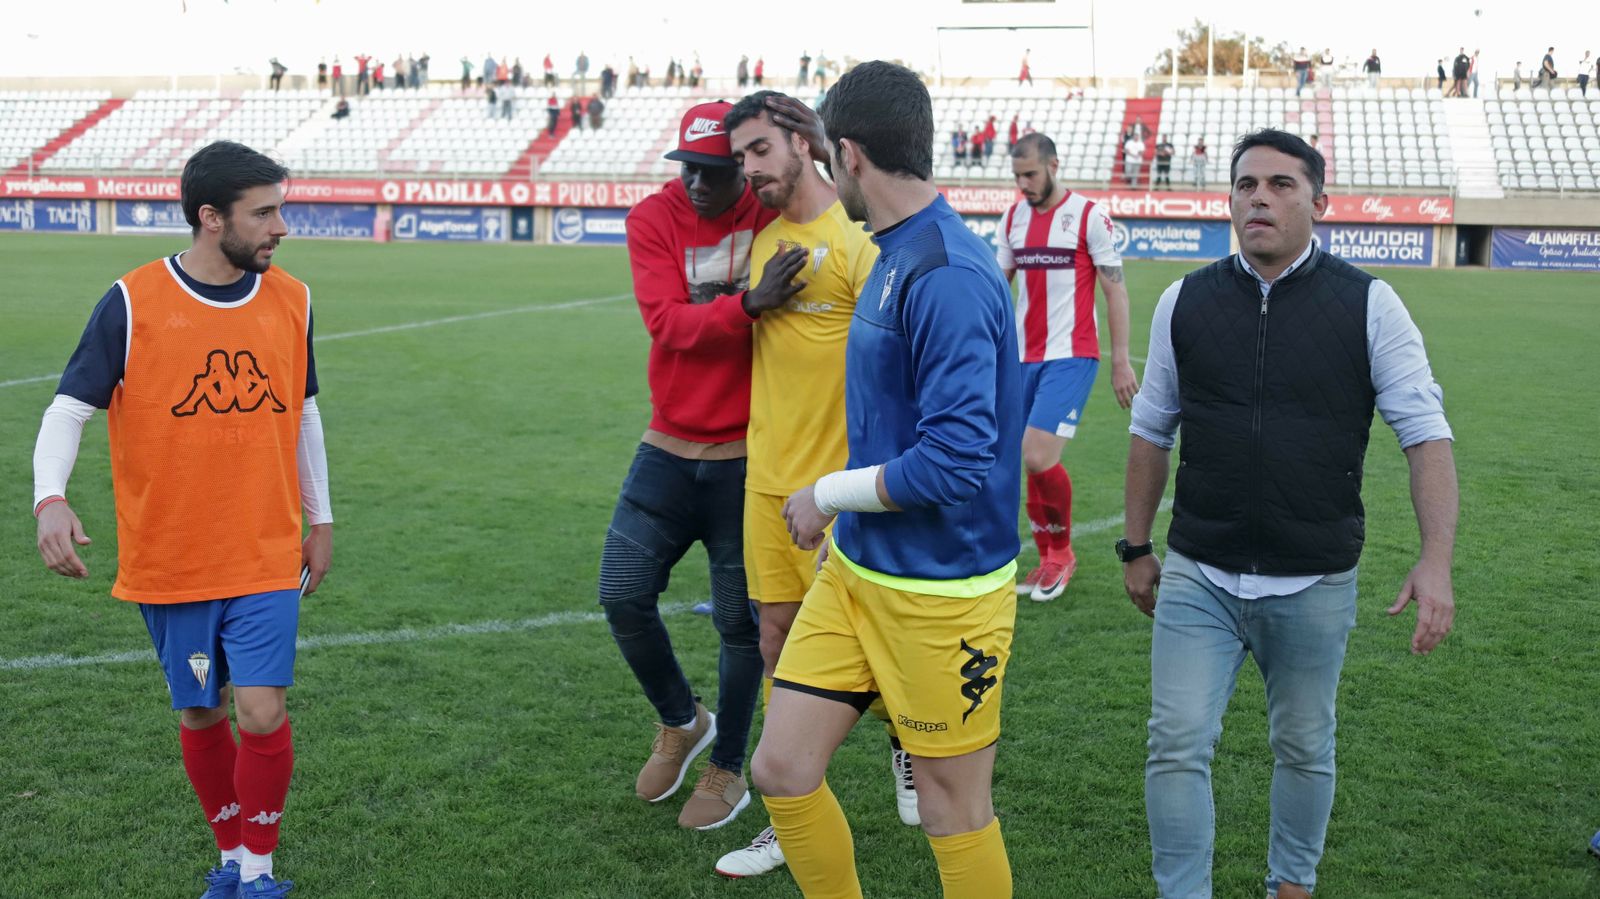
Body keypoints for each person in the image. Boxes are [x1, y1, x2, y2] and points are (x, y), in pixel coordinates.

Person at [1123, 128, 1458, 899]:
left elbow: (1426, 434)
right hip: (1199, 572)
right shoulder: (1185, 299)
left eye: (1281, 185)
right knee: (1175, 742)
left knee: (1304, 745)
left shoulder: (1369, 303)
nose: (1260, 199)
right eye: (1246, 185)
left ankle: (1292, 884)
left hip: (1313, 578)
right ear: (1229, 200)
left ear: (1319, 201)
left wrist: (1435, 559)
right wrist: (1136, 546)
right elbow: (1151, 428)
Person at [751, 59, 1023, 899]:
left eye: (827, 155)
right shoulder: (891, 251)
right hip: (857, 571)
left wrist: (826, 494)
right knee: (782, 767)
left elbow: (956, 460)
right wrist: (848, 521)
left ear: (850, 153)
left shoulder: (946, 273)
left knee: (951, 808)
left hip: (943, 596)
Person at [31, 140, 331, 899]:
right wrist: (49, 497)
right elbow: (68, 409)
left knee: (260, 710)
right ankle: (229, 857)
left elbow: (304, 412)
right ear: (210, 217)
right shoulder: (133, 301)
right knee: (202, 711)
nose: (281, 227)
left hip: (263, 549)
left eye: (280, 210)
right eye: (264, 213)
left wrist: (320, 519)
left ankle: (259, 871)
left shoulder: (293, 299)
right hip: (173, 557)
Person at [713, 90, 917, 881]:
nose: (749, 168)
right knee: (776, 640)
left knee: (875, 637)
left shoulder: (857, 240)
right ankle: (785, 816)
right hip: (767, 482)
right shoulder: (763, 241)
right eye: (740, 157)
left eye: (761, 149)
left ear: (804, 141)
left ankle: (912, 740)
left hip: (837, 489)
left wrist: (859, 487)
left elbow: (895, 376)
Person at [602, 102, 782, 833]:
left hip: (750, 458)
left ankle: (728, 764)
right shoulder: (653, 217)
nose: (699, 184)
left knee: (740, 624)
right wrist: (749, 305)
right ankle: (683, 719)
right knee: (621, 593)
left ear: (742, 166)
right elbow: (667, 325)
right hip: (668, 444)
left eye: (714, 171)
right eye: (689, 170)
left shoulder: (772, 213)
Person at [996, 133, 1138, 601]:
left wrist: (1121, 361)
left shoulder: (1089, 215)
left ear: (1054, 165)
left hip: (1072, 354)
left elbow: (1114, 289)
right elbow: (998, 287)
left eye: (1031, 174)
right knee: (1025, 460)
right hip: (1021, 358)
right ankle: (1045, 559)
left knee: (1038, 455)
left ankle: (1061, 555)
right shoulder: (1013, 219)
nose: (1023, 184)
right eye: (1018, 176)